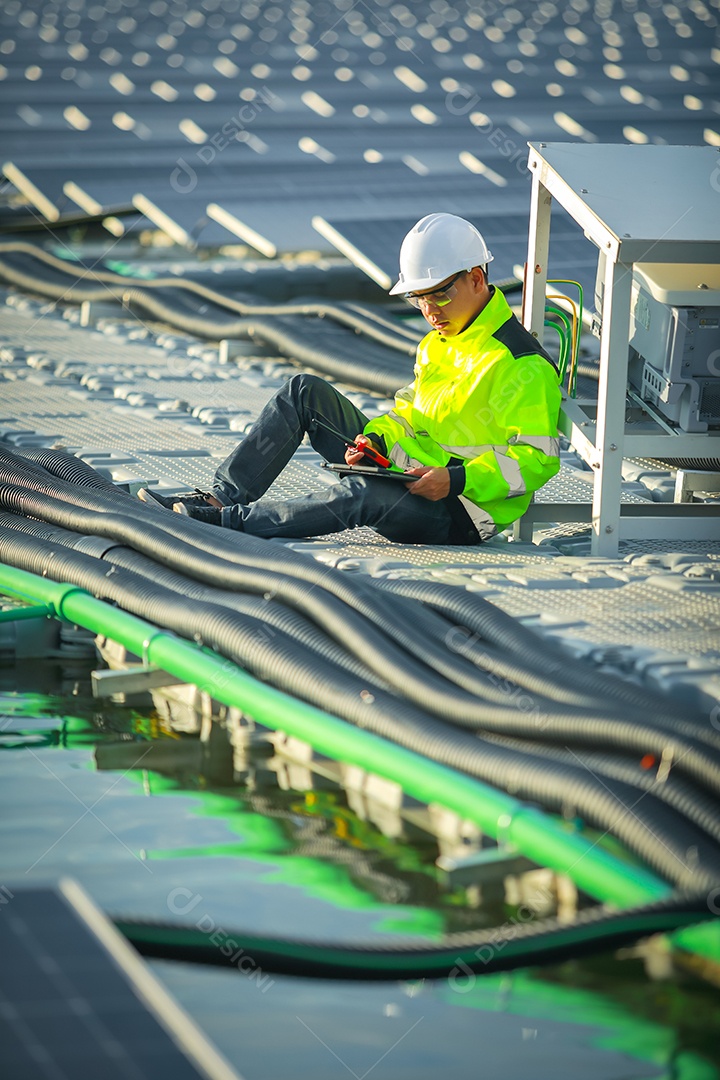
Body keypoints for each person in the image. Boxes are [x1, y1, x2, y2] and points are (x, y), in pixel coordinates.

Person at [139, 213, 562, 545]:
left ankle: (225, 523)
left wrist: (458, 479)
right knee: (303, 392)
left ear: (476, 277)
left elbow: (537, 459)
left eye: (440, 294)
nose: (431, 310)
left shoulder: (522, 363)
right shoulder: (440, 341)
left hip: (457, 511)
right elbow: (407, 414)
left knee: (364, 495)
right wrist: (374, 441)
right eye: (419, 299)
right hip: (402, 472)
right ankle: (221, 497)